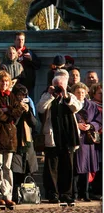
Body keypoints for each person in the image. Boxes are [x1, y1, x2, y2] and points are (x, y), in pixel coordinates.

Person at [37, 73, 82, 204]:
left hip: (68, 137)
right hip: (52, 137)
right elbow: (40, 108)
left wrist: (65, 95)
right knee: (51, 167)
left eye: (60, 86)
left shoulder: (70, 96)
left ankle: (66, 194)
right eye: (56, 86)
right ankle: (53, 194)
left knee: (67, 166)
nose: (58, 88)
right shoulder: (47, 96)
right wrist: (50, 95)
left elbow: (77, 107)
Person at [0, 70, 24, 208]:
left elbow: (18, 111)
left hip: (10, 135)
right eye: (2, 81)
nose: (4, 84)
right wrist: (10, 113)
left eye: (7, 81)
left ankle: (7, 194)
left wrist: (8, 111)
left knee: (8, 167)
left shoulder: (12, 96)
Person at [70, 82, 101, 201]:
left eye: (83, 92)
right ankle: (75, 192)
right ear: (74, 93)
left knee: (87, 167)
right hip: (77, 139)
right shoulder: (71, 104)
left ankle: (86, 193)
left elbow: (99, 120)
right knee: (77, 167)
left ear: (86, 93)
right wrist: (76, 125)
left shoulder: (92, 105)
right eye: (78, 92)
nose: (80, 94)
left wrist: (91, 126)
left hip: (88, 140)